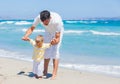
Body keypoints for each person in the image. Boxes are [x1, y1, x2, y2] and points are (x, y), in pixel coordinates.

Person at [22, 10, 64, 79]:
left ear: (50, 18)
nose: (45, 24)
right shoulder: (39, 18)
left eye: (46, 22)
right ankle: (45, 71)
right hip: (48, 31)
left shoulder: (57, 21)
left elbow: (57, 38)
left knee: (55, 51)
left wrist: (54, 41)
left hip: (57, 32)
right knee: (46, 50)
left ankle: (54, 74)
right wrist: (26, 36)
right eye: (43, 23)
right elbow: (32, 28)